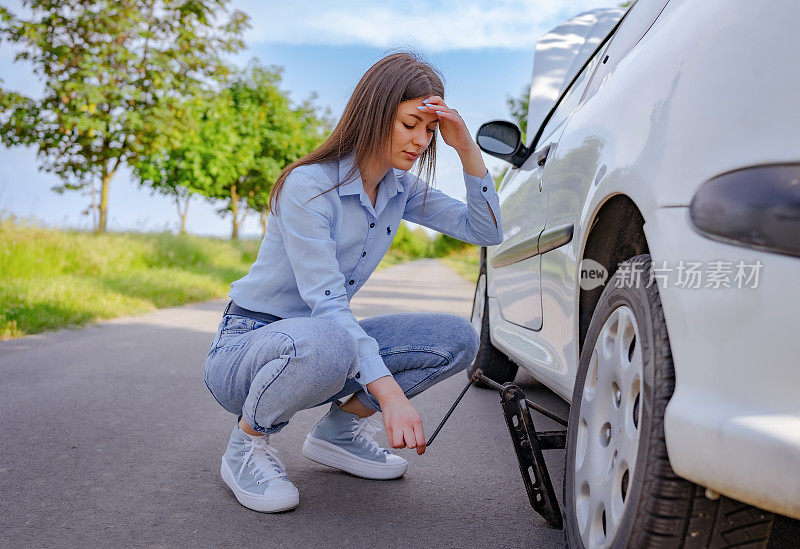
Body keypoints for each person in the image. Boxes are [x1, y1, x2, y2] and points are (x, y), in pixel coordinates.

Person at [203, 51, 503, 513]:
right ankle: (246, 445)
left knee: (457, 339)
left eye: (429, 130)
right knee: (329, 340)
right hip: (248, 348)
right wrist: (392, 395)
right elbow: (327, 306)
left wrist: (466, 149)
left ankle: (338, 433)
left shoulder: (400, 190)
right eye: (409, 124)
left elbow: (485, 231)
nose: (422, 140)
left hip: (327, 345)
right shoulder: (309, 186)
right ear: (375, 114)